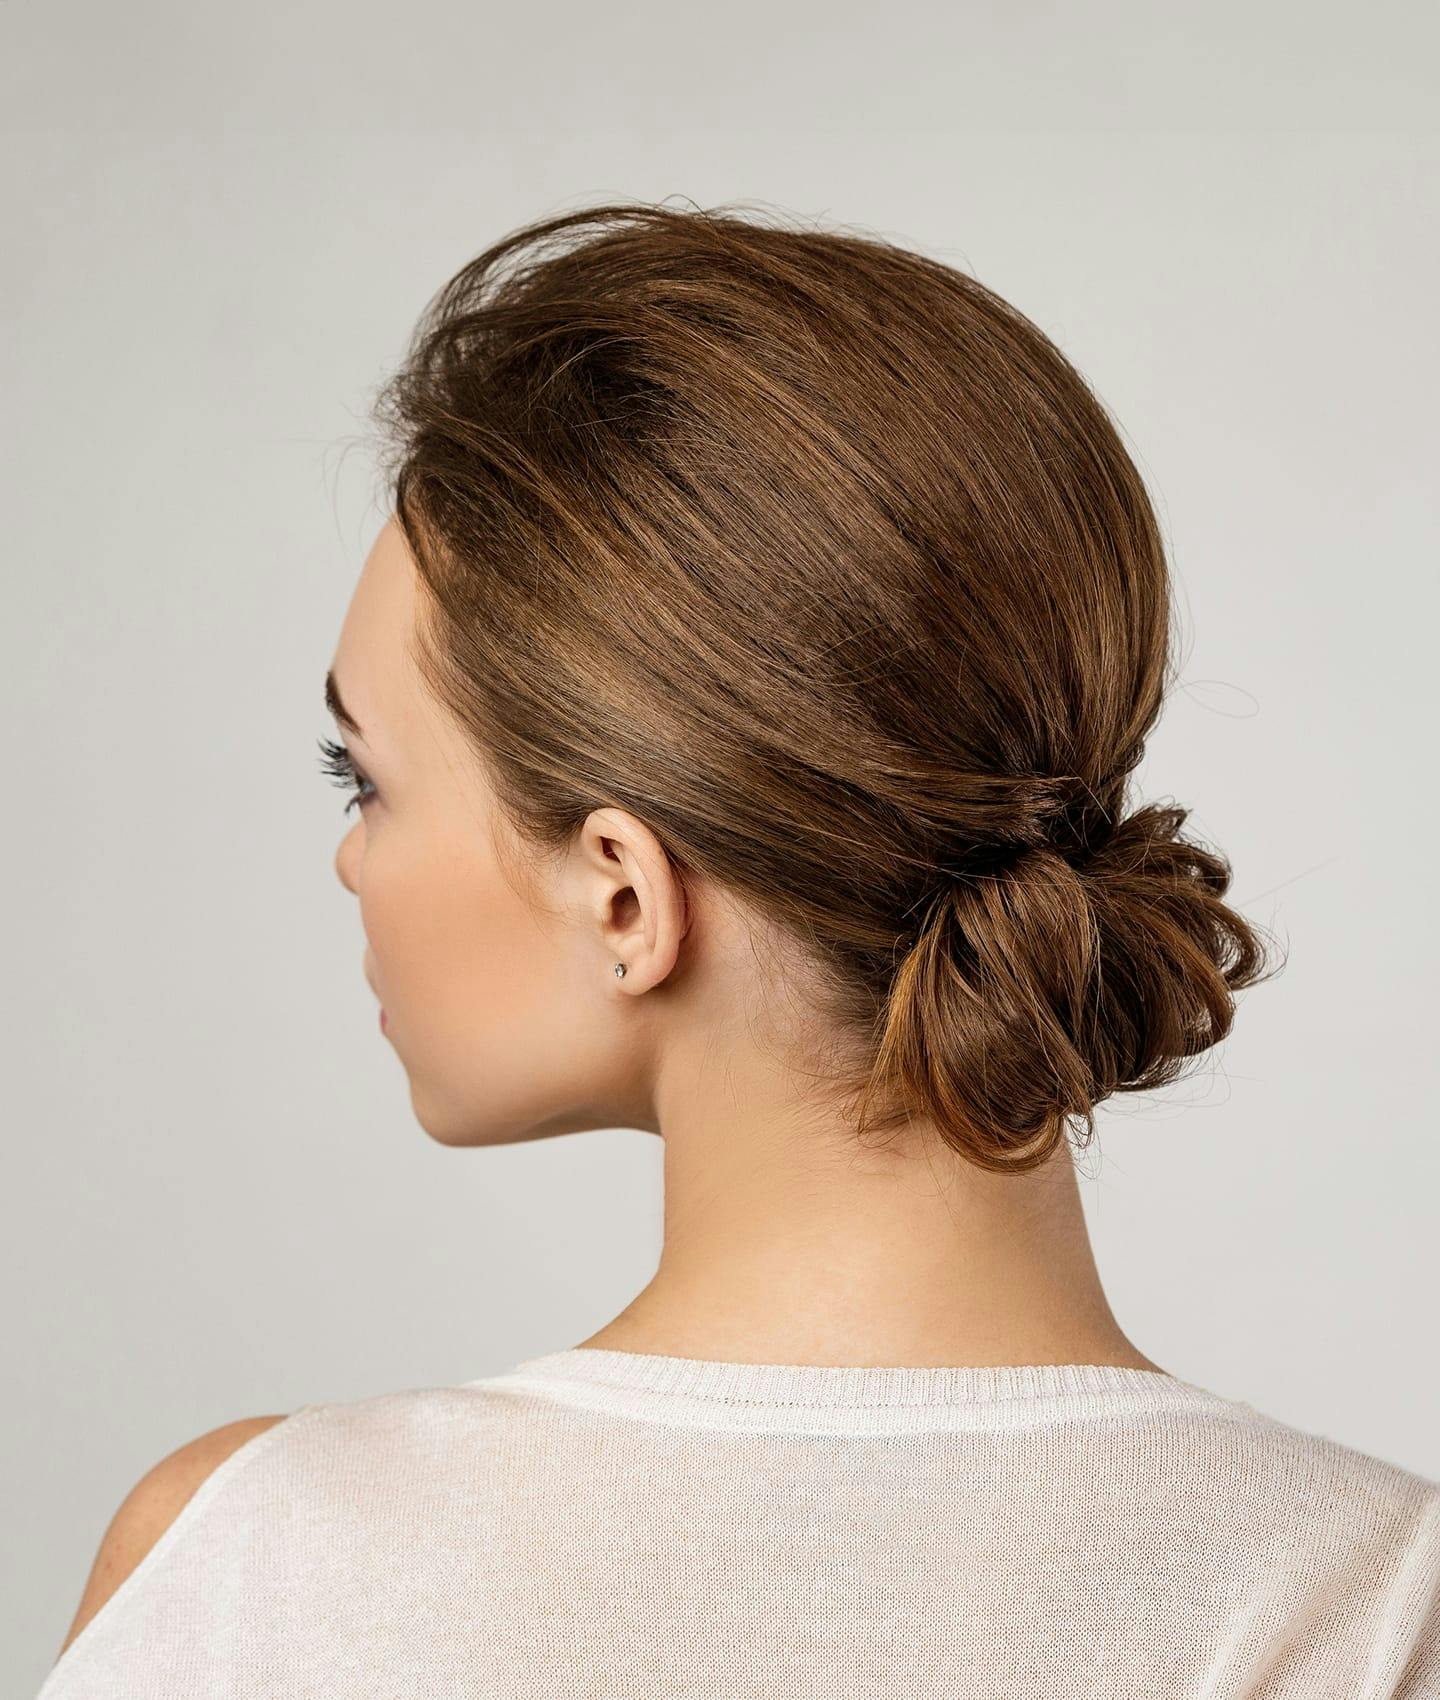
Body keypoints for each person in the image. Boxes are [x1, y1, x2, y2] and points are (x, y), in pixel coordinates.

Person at [37, 202, 1439, 1698]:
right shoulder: (1375, 1604)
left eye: (365, 780)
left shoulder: (257, 1570)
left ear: (625, 895)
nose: (347, 856)